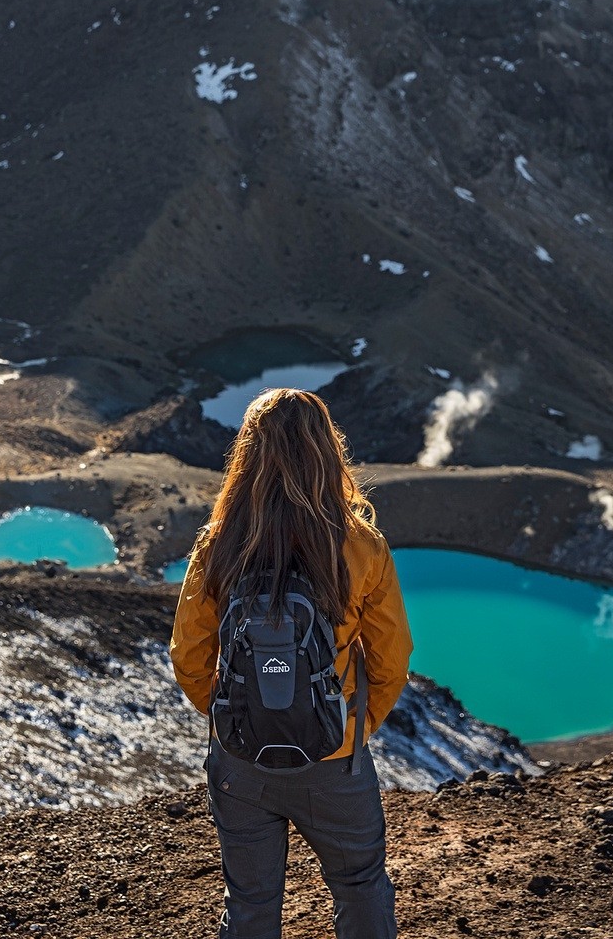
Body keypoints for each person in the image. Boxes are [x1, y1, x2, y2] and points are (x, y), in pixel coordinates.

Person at [170, 387, 414, 939]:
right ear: (327, 452)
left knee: (252, 903)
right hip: (335, 757)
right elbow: (392, 656)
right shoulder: (360, 545)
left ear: (248, 456)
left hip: (240, 761)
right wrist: (354, 727)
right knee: (360, 885)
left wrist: (232, 715)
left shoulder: (219, 544)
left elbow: (188, 655)